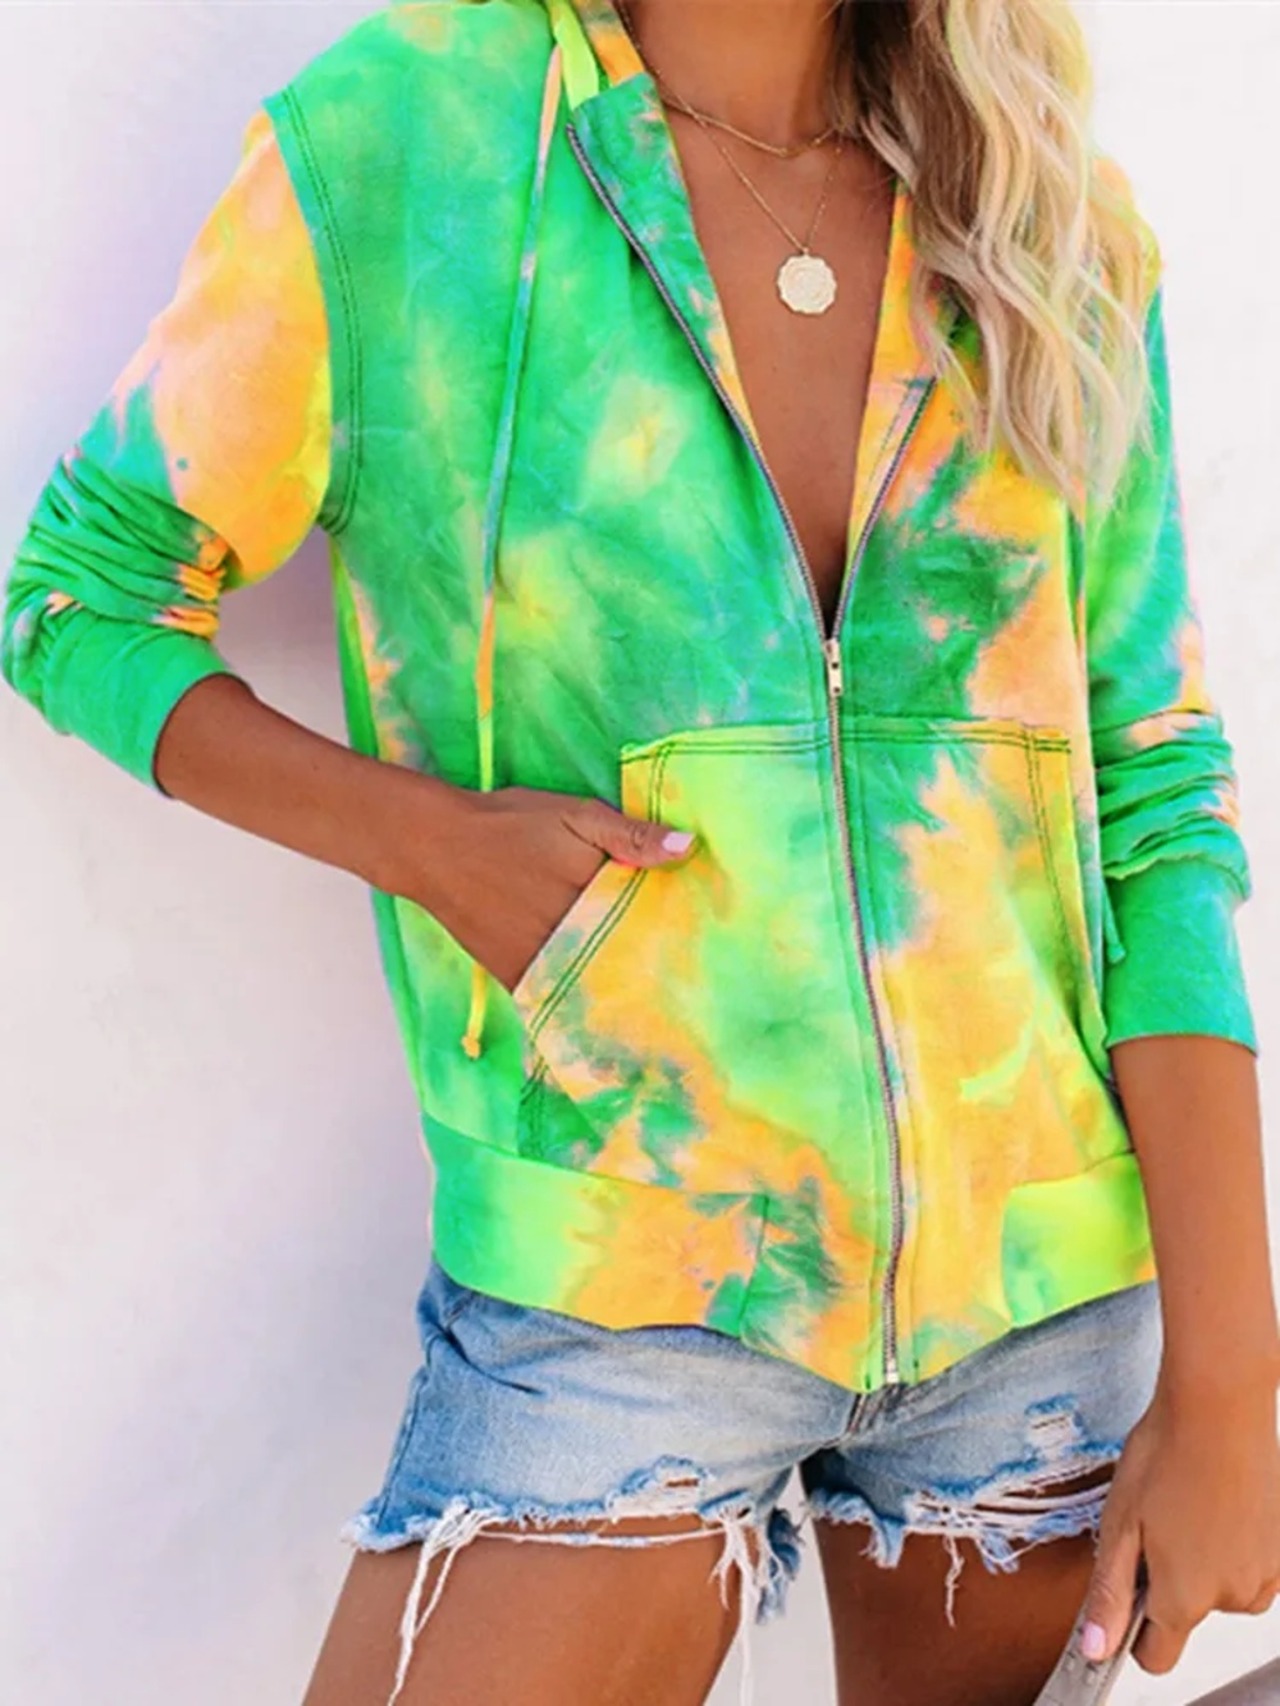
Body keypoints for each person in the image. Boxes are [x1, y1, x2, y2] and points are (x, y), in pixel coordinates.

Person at [4, 1, 1278, 1702]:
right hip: (627, 1281)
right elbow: (82, 598)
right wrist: (430, 844)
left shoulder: (1041, 205)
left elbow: (1155, 794)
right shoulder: (408, 138)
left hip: (1041, 1294)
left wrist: (1234, 1383)